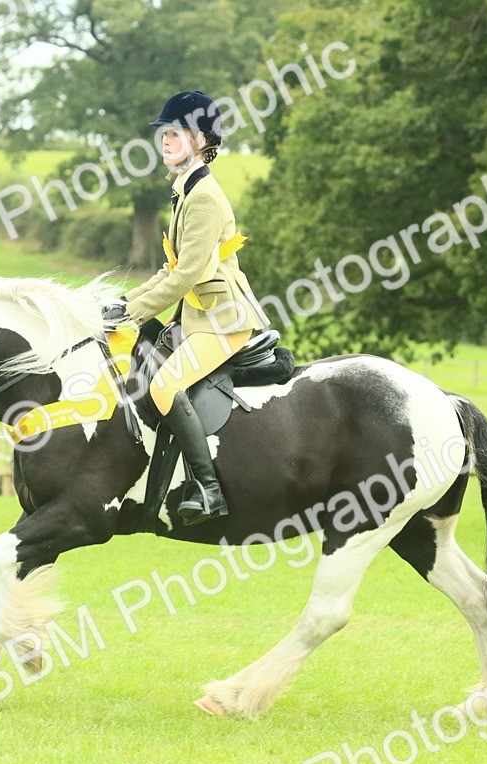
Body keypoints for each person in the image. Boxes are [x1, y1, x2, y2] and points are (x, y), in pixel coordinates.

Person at [104, 90, 271, 525]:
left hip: (223, 322)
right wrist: (124, 304)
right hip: (197, 317)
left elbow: (187, 276)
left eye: (174, 133)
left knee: (162, 387)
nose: (164, 141)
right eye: (163, 134)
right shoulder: (185, 191)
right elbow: (170, 268)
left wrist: (133, 315)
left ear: (200, 139)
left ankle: (209, 488)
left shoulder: (204, 198)